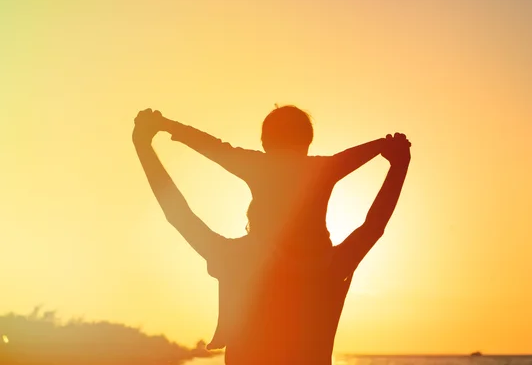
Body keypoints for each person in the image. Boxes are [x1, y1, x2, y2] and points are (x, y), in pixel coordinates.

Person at [132, 109, 411, 364]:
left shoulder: (236, 261)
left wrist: (146, 144)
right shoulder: (332, 266)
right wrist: (397, 165)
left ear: (264, 145)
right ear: (308, 145)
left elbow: (179, 214)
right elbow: (374, 225)